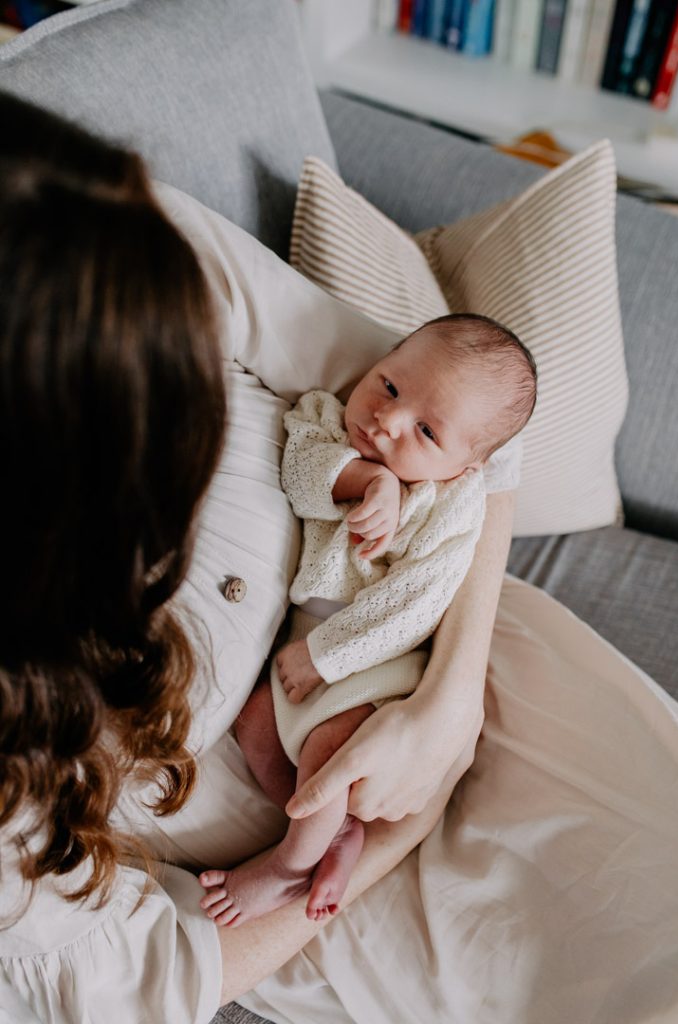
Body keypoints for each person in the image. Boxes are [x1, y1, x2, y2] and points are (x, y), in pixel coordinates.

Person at [0, 92, 520, 1020]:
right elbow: (136, 986)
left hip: (438, 655)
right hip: (319, 802)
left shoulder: (68, 223)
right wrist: (397, 834)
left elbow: (479, 426)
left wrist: (448, 695)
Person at [199, 314, 536, 925]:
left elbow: (414, 604)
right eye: (389, 385)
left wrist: (326, 656)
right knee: (254, 728)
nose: (388, 420)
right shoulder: (326, 419)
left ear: (465, 468)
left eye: (426, 431)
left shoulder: (451, 506)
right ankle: (334, 837)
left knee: (328, 751)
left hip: (375, 657)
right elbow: (299, 475)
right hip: (304, 641)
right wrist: (366, 479)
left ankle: (287, 869)